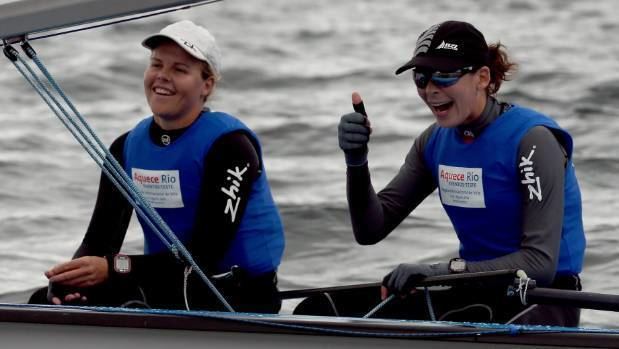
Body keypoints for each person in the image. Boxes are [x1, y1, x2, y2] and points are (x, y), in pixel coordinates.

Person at [337, 20, 585, 326]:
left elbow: (539, 264)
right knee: (319, 309)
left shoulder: (533, 142)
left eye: (444, 75)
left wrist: (438, 271)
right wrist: (356, 162)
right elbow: (370, 229)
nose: (430, 90)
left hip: (543, 297)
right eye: (422, 77)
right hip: (475, 290)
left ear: (482, 77)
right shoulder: (433, 143)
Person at [29, 20, 285, 313]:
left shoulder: (231, 148)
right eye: (156, 65)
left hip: (237, 292)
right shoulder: (126, 148)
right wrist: (70, 280)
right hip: (168, 282)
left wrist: (114, 268)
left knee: (127, 300)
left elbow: (205, 255)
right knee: (45, 300)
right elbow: (98, 242)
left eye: (179, 69)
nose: (162, 77)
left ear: (207, 85)